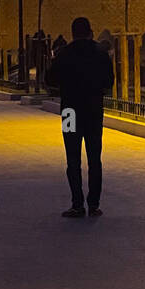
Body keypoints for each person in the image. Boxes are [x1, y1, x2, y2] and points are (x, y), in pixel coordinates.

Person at [45, 16, 115, 219]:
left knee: (72, 158)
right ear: (90, 31)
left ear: (73, 33)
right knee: (95, 158)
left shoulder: (64, 53)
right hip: (93, 110)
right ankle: (94, 204)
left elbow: (50, 80)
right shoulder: (100, 53)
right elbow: (109, 81)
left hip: (70, 111)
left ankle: (77, 204)